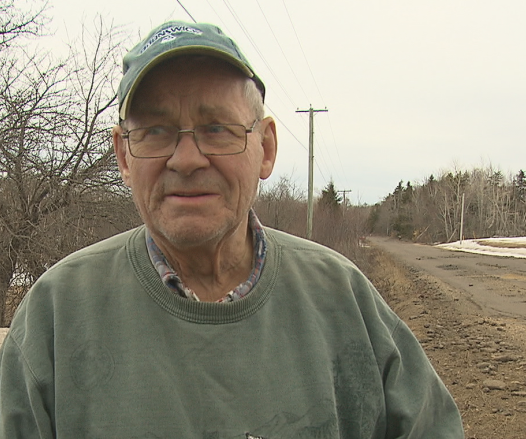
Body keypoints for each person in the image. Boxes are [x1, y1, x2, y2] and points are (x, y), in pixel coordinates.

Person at [0, 21, 464, 438]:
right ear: (123, 155)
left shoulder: (343, 302)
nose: (185, 159)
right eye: (157, 131)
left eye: (217, 128)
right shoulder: (56, 316)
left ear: (265, 147)